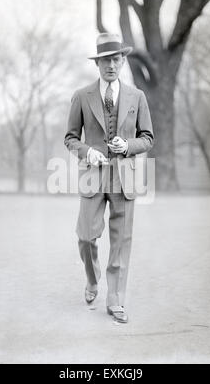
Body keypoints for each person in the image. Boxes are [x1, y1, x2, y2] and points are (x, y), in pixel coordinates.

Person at [64, 33, 154, 323]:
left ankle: (115, 299)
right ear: (98, 63)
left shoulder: (137, 97)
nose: (111, 65)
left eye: (116, 59)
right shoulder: (81, 96)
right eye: (105, 60)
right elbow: (70, 138)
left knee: (121, 241)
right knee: (86, 236)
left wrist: (128, 146)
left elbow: (148, 138)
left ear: (123, 60)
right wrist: (87, 152)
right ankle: (92, 280)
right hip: (93, 175)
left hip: (125, 178)